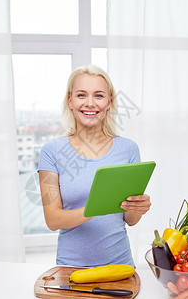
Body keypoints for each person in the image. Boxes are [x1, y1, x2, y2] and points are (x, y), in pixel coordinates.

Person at [37, 64, 151, 268]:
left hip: (120, 266)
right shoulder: (51, 151)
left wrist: (138, 207)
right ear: (70, 101)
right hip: (70, 268)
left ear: (109, 102)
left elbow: (130, 219)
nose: (90, 103)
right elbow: (53, 219)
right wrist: (97, 206)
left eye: (98, 96)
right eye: (81, 95)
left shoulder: (128, 149)